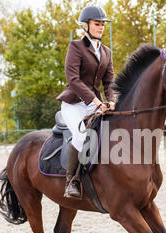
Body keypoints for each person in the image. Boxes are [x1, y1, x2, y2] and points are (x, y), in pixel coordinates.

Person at [56, 5, 116, 199]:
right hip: (73, 103)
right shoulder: (76, 47)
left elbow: (109, 82)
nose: (101, 27)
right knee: (82, 136)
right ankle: (71, 181)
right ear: (85, 26)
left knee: (112, 129)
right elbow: (73, 80)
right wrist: (96, 101)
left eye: (102, 24)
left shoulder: (106, 51)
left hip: (93, 102)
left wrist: (112, 100)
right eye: (97, 24)